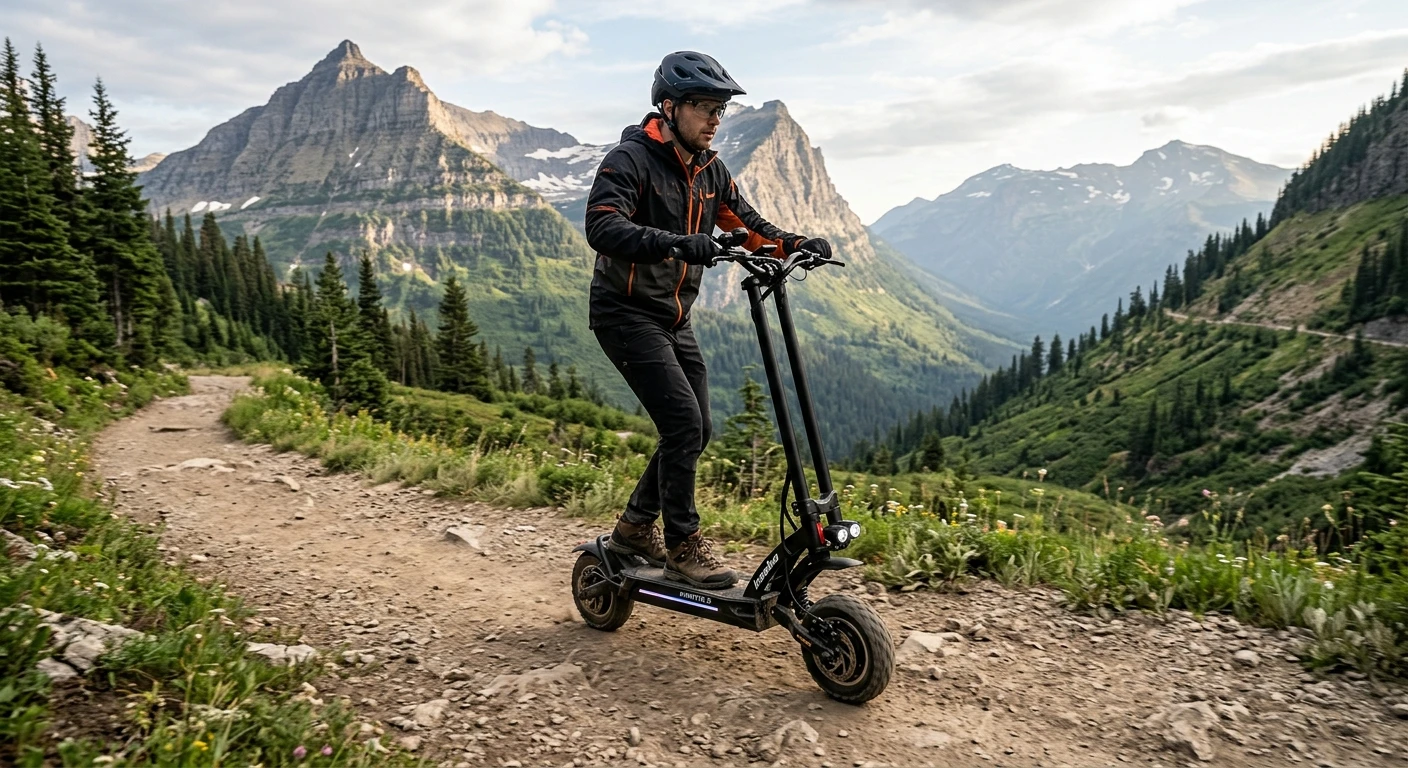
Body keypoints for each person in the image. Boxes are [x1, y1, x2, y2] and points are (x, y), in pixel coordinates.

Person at [584, 51, 833, 590]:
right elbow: (603, 228)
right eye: (704, 107)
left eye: (720, 108)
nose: (716, 118)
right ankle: (681, 544)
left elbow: (747, 225)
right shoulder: (629, 161)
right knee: (683, 425)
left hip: (673, 318)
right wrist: (676, 244)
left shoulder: (710, 171)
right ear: (670, 108)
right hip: (624, 313)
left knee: (697, 428)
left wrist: (794, 243)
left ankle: (631, 528)